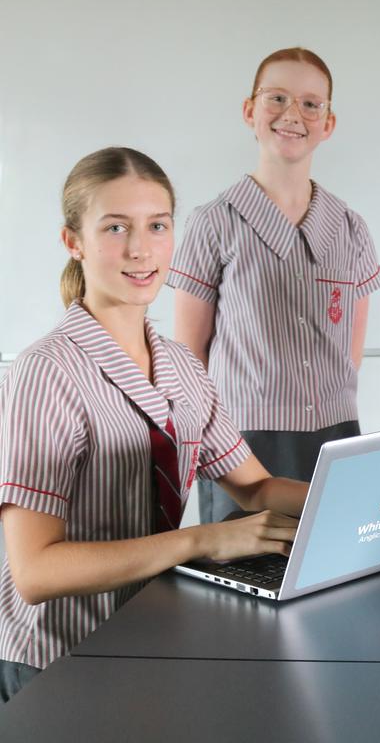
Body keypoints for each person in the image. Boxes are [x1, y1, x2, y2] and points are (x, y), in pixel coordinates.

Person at [0, 148, 307, 702]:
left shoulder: (181, 366)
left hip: (150, 638)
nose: (141, 249)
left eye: (157, 226)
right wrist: (203, 540)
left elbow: (256, 486)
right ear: (74, 242)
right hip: (61, 662)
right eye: (115, 227)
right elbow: (35, 572)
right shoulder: (45, 372)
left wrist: (353, 496)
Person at [168, 47, 380, 522]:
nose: (293, 114)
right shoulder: (214, 223)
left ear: (328, 123)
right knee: (248, 580)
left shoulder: (350, 228)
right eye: (277, 98)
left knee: (337, 567)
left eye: (311, 104)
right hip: (242, 444)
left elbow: (350, 353)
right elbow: (189, 359)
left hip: (336, 434)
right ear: (250, 111)